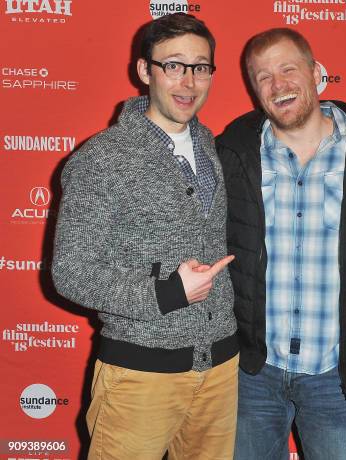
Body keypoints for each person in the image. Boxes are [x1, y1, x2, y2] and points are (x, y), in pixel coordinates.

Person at [52, 13, 239, 459]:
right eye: (173, 65)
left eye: (200, 67)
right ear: (144, 71)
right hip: (140, 375)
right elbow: (70, 273)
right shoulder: (103, 158)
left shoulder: (210, 147)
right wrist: (169, 292)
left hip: (219, 370)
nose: (188, 80)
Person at [216, 28, 346, 460]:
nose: (278, 84)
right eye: (263, 77)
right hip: (253, 372)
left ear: (316, 72)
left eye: (288, 69)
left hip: (336, 375)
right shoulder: (231, 155)